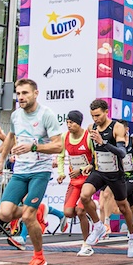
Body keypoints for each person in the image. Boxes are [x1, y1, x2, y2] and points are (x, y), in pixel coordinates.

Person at [0, 79, 64, 265]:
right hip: (20, 171)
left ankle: (39, 257)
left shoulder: (46, 115)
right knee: (4, 213)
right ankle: (37, 208)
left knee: (27, 216)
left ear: (36, 93)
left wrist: (34, 147)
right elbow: (10, 136)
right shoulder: (16, 115)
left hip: (39, 171)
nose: (21, 97)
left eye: (25, 93)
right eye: (18, 93)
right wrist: (1, 160)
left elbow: (58, 145)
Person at [79, 99, 133, 258]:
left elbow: (122, 153)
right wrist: (91, 164)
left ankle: (132, 236)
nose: (95, 119)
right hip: (99, 171)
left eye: (98, 115)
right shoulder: (91, 127)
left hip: (115, 173)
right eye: (92, 116)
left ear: (106, 112)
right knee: (84, 195)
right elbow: (96, 150)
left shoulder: (117, 127)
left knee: (123, 207)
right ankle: (98, 226)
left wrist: (103, 141)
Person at [56, 110, 95, 256]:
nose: (69, 125)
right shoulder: (64, 136)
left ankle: (87, 244)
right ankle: (92, 212)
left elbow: (95, 160)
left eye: (71, 122)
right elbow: (60, 156)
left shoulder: (88, 137)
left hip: (88, 180)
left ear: (79, 123)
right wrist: (61, 173)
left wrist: (82, 169)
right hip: (74, 181)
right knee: (68, 212)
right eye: (67, 122)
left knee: (80, 211)